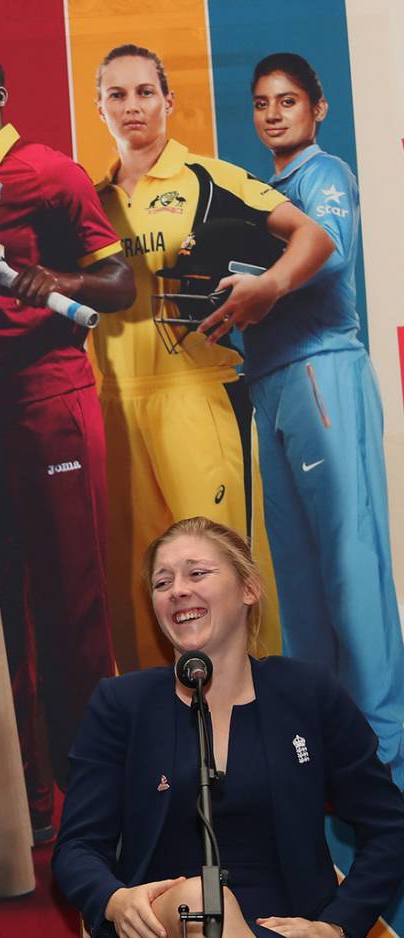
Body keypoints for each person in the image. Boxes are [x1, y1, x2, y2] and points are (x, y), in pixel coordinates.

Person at [0, 44, 133, 843]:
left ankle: (97, 812)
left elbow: (119, 286)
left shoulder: (49, 171)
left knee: (72, 610)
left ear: (1, 93)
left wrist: (61, 284)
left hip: (51, 404)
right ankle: (25, 809)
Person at [91, 44, 333, 673]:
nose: (132, 106)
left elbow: (315, 236)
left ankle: (253, 734)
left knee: (218, 573)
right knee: (140, 584)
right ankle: (165, 743)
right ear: (100, 108)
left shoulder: (208, 179)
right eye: (117, 94)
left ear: (169, 101)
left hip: (195, 395)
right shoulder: (88, 200)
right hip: (113, 403)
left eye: (145, 91)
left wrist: (269, 287)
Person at [52, 517, 404, 938]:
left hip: (290, 927)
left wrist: (335, 926)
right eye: (162, 583)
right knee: (203, 904)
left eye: (196, 573)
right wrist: (115, 899)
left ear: (249, 589)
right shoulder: (121, 704)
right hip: (165, 922)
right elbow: (77, 847)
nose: (178, 589)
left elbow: (390, 826)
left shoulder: (309, 693)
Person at [238, 52, 404, 787]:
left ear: (317, 109)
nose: (275, 114)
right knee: (297, 572)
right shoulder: (261, 194)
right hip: (270, 380)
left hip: (322, 370)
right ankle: (326, 747)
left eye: (289, 102)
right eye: (263, 103)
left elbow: (328, 258)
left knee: (349, 563)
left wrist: (258, 282)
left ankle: (384, 755)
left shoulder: (323, 176)